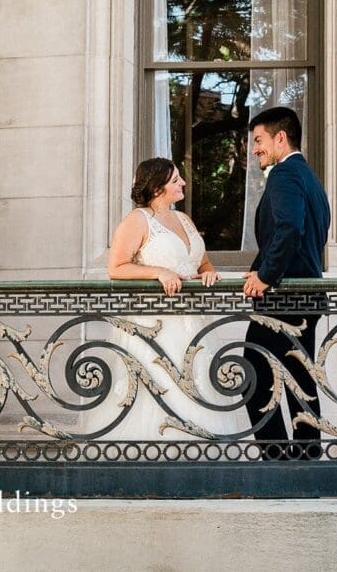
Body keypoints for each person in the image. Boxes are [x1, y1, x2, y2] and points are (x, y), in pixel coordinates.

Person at [99, 157, 244, 440]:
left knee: (197, 383)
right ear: (156, 187)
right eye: (176, 179)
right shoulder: (136, 221)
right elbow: (116, 268)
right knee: (159, 386)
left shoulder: (183, 219)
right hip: (155, 322)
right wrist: (159, 272)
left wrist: (208, 275)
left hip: (194, 320)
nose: (183, 184)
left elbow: (203, 264)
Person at [242, 106, 331, 459]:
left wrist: (265, 275)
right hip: (305, 295)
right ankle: (305, 458)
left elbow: (290, 229)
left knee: (254, 374)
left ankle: (278, 459)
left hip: (285, 298)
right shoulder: (309, 177)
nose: (255, 149)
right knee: (299, 379)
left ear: (281, 138)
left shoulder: (284, 175)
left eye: (259, 140)